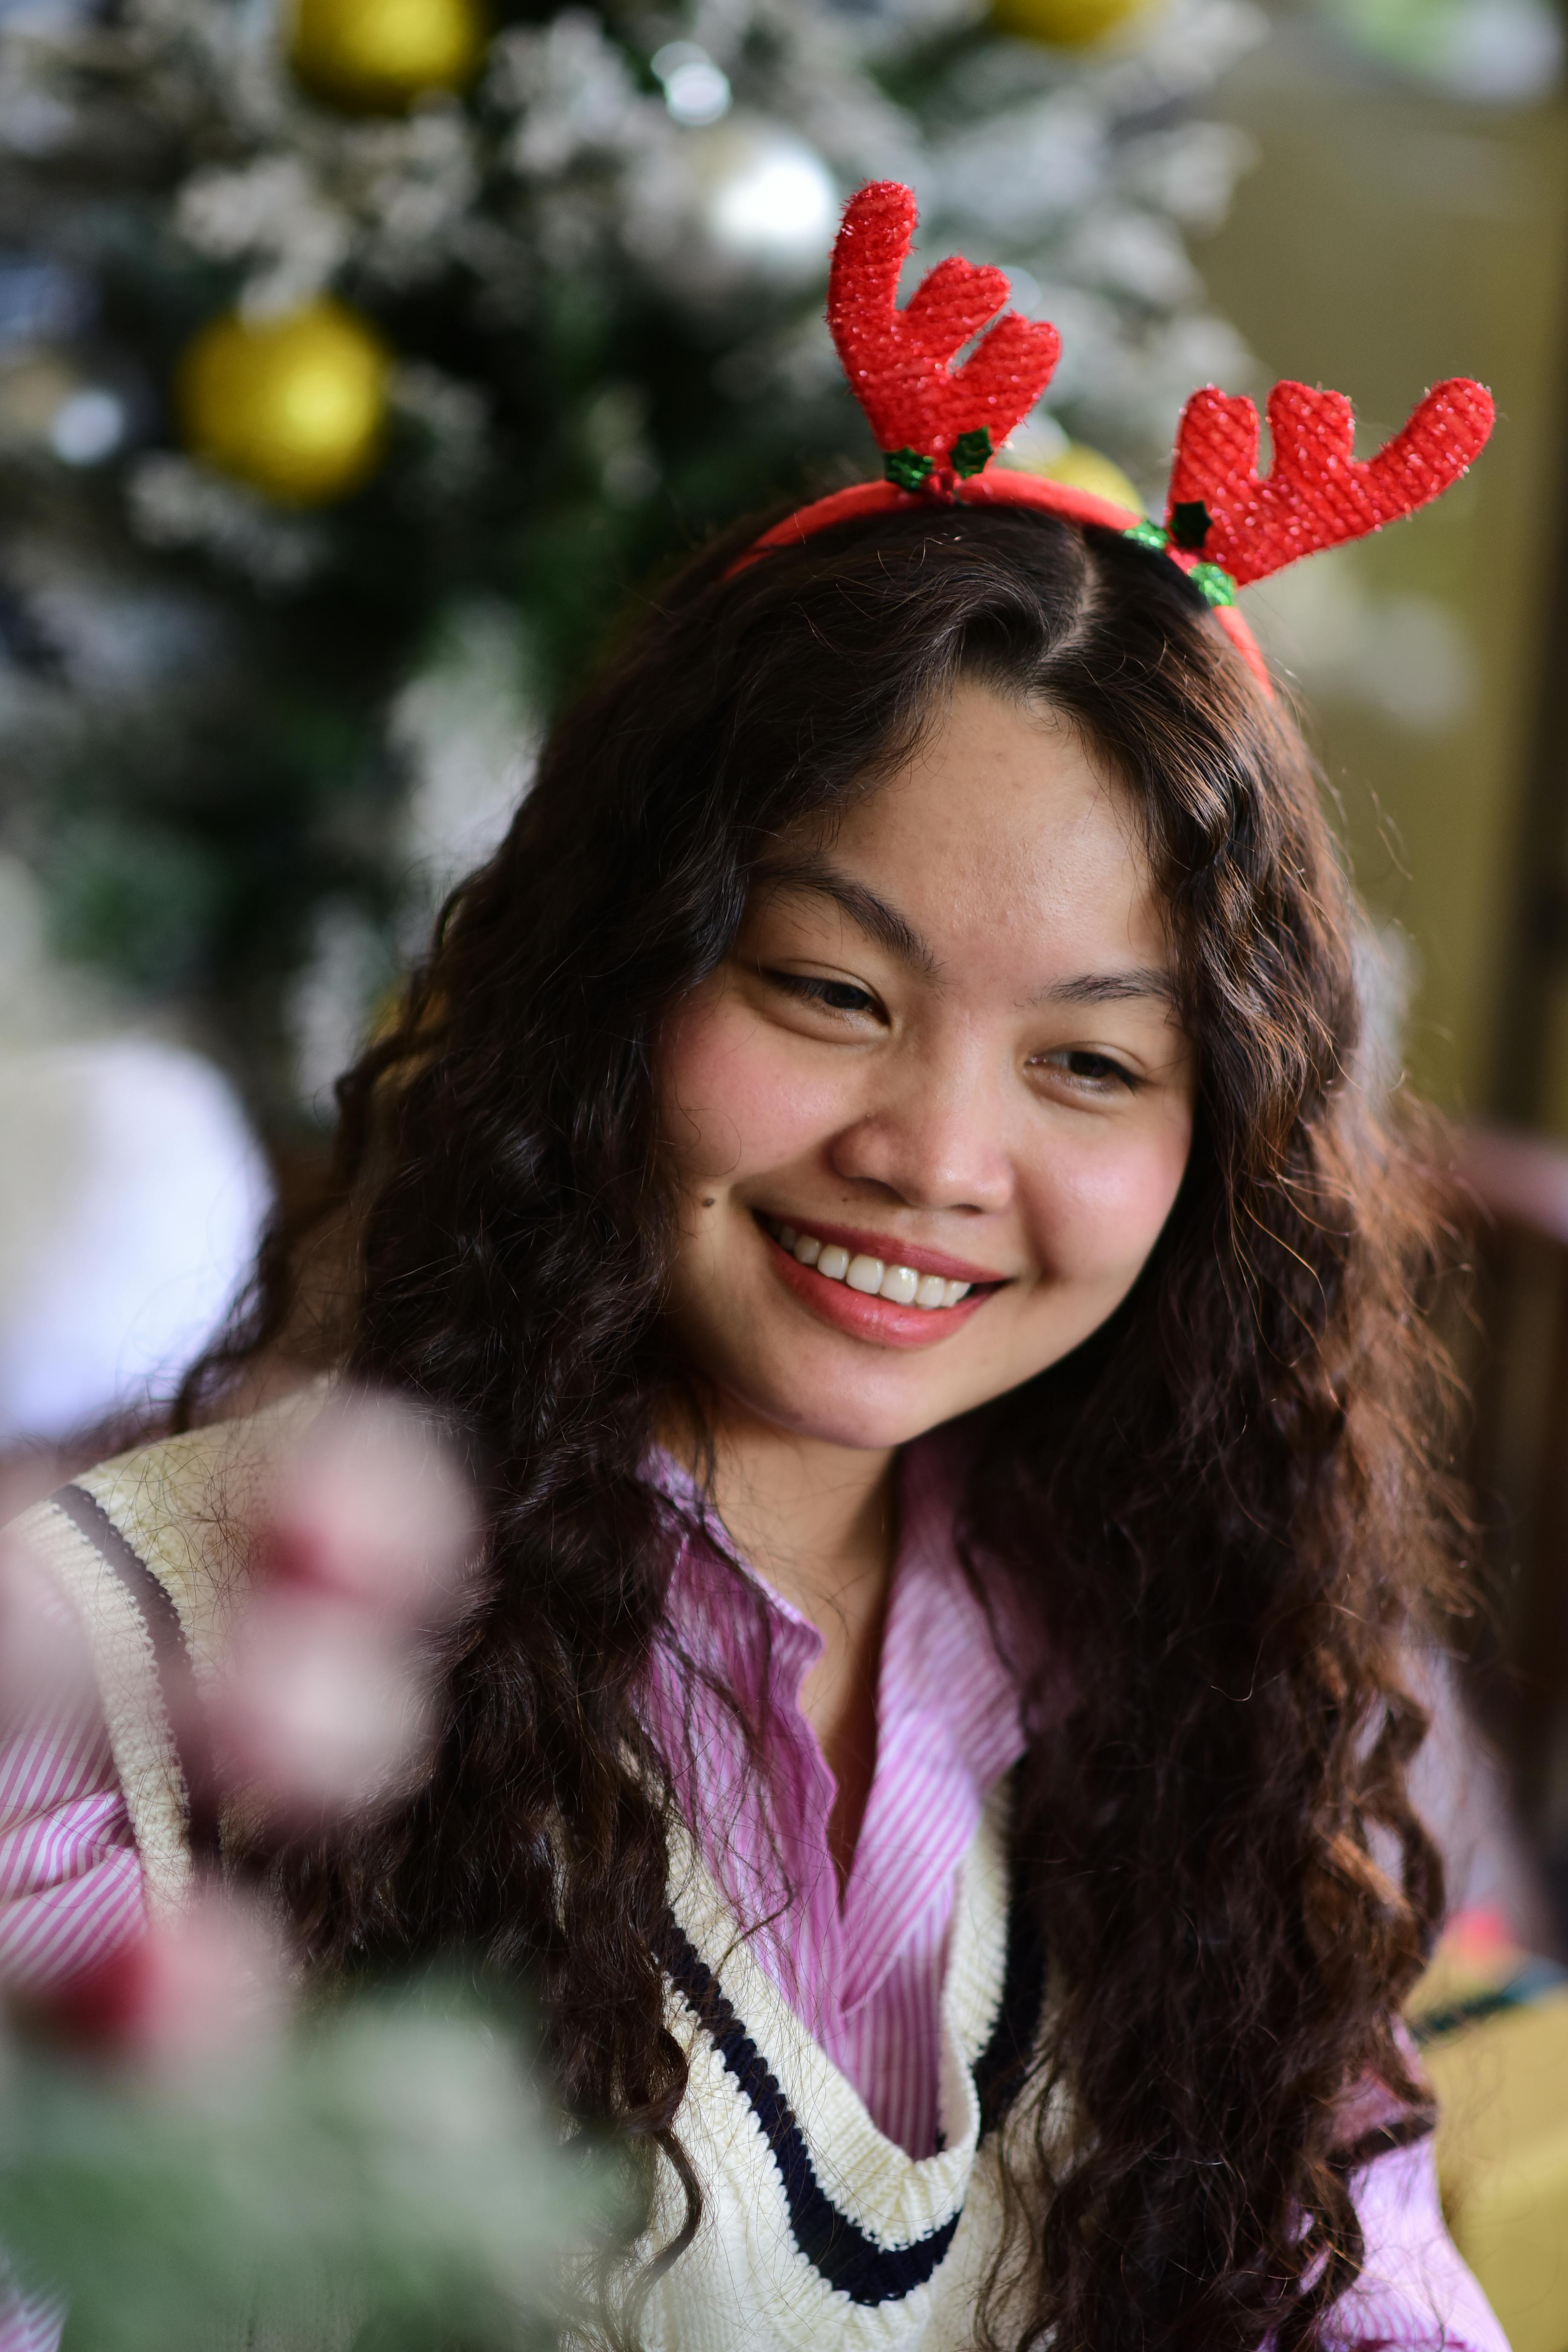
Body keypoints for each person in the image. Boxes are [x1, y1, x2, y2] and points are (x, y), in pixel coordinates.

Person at [1, 184, 1507, 2352]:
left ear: (1221, 1153)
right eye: (824, 989)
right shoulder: (135, 1675)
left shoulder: (1206, 1715)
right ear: (613, 976)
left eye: (1091, 1060)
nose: (932, 1159)